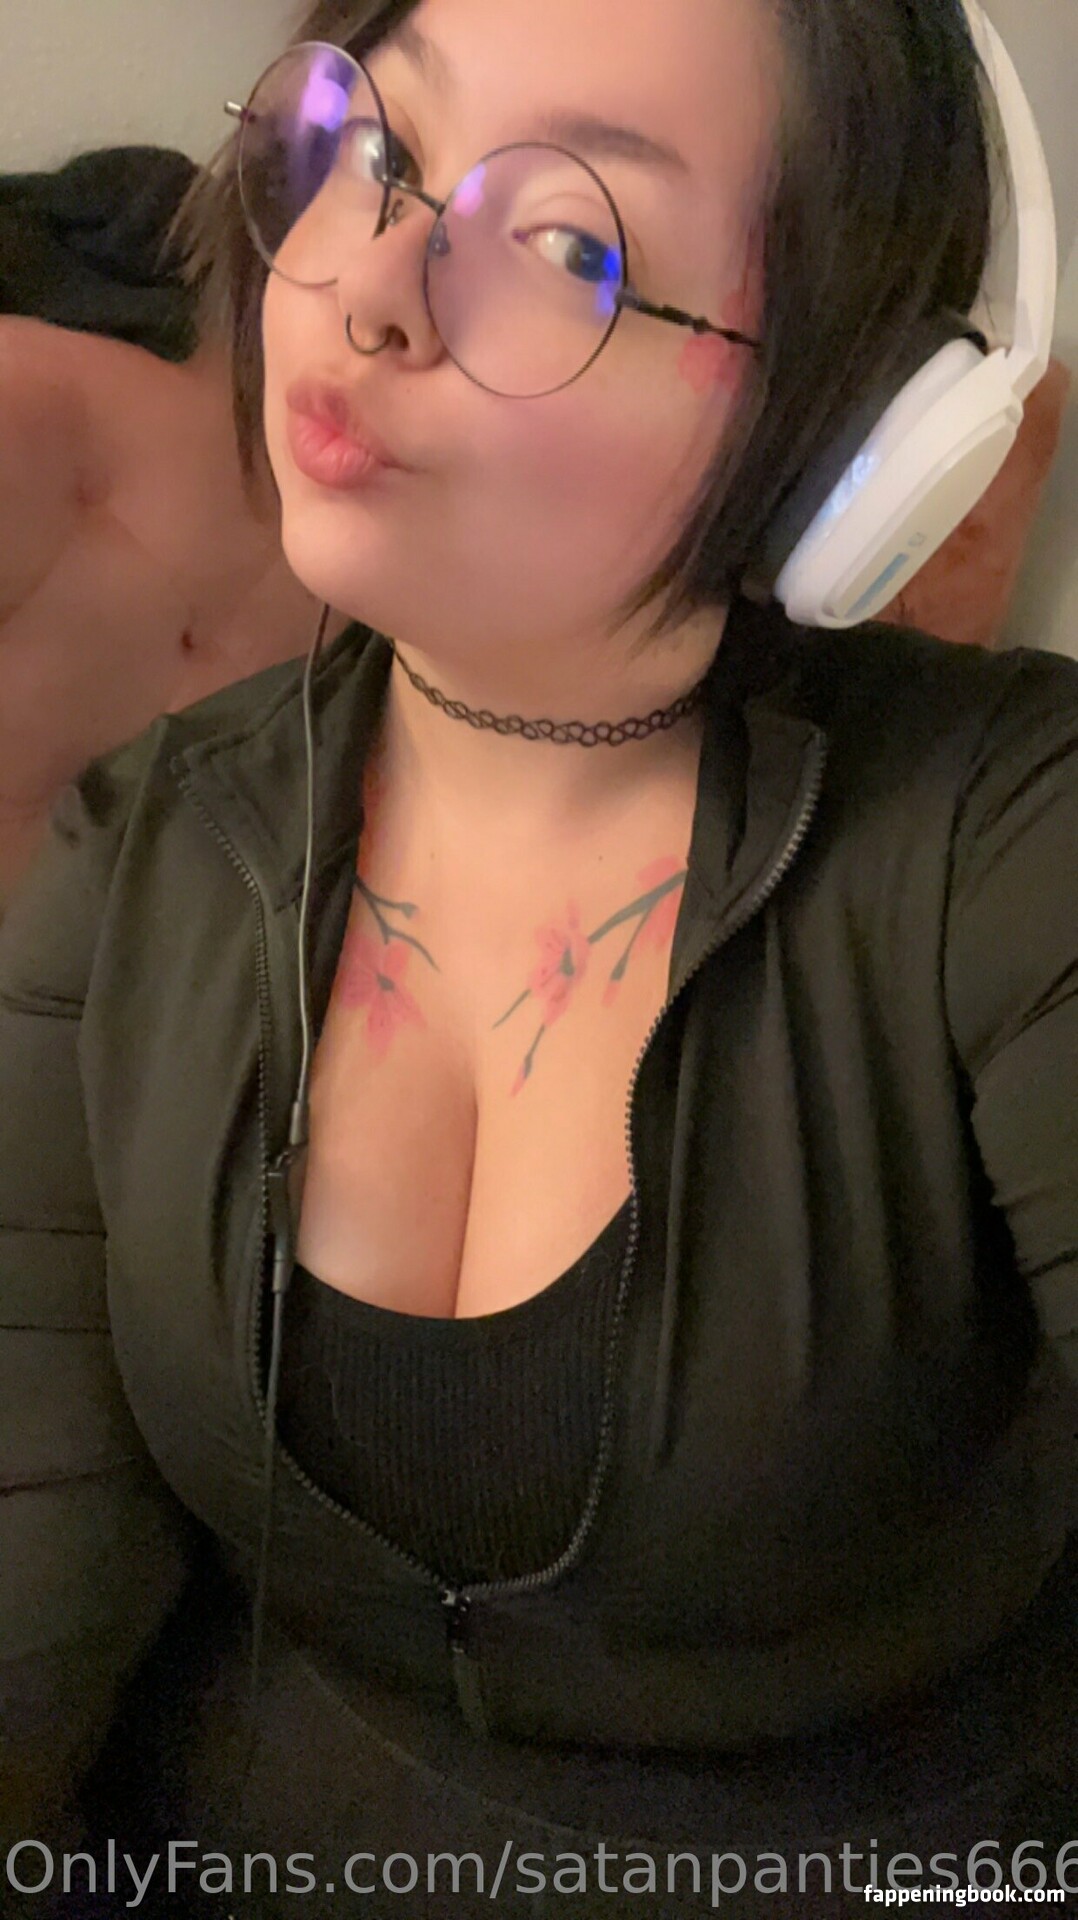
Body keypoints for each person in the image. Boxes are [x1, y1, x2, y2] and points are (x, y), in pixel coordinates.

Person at [1, 0, 1075, 1914]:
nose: (366, 288)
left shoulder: (1012, 845)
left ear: (838, 438)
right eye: (377, 147)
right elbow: (32, 1575)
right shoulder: (133, 853)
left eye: (569, 245)